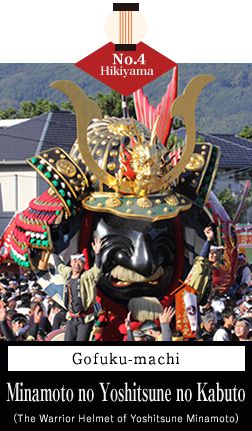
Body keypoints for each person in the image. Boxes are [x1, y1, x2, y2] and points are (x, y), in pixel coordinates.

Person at [54, 237, 102, 341]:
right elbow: (59, 265)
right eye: (74, 261)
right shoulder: (68, 273)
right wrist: (52, 250)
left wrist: (98, 254)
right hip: (71, 317)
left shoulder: (87, 276)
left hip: (85, 318)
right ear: (71, 263)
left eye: (80, 261)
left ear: (84, 264)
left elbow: (97, 269)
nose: (77, 264)